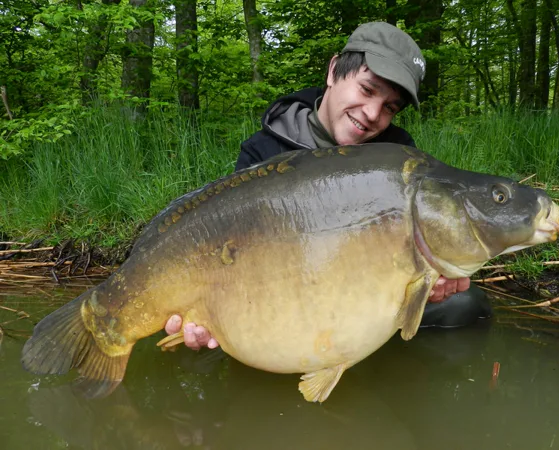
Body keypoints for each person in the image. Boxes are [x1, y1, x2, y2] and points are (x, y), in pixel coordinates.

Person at [164, 22, 491, 350]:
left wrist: (427, 283)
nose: (372, 113)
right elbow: (231, 254)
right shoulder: (264, 151)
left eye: (390, 107)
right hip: (281, 290)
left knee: (466, 305)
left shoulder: (398, 158)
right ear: (334, 71)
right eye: (367, 90)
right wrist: (215, 312)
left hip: (363, 294)